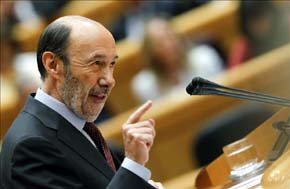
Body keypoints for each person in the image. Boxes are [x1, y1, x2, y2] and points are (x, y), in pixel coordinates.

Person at [0, 16, 163, 189]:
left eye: (111, 64)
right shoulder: (30, 146)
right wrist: (133, 165)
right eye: (96, 63)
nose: (109, 80)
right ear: (53, 65)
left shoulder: (77, 125)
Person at [131, 18, 224, 102]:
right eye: (160, 44)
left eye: (170, 37)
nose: (168, 45)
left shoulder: (204, 58)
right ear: (150, 52)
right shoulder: (144, 85)